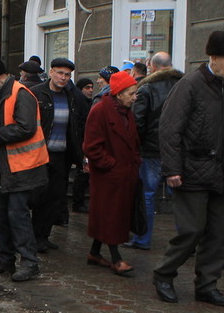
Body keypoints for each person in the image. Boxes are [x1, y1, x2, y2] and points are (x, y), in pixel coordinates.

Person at [153, 30, 224, 307]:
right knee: (192, 231)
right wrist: (172, 169)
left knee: (219, 233)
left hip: (221, 174)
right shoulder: (189, 85)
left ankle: (207, 285)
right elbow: (170, 130)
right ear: (214, 57)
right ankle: (163, 274)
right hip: (191, 171)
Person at [0, 55, 49, 282]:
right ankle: (5, 258)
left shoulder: (20, 93)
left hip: (23, 167)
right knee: (0, 216)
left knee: (17, 215)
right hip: (4, 167)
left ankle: (29, 262)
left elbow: (26, 128)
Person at [83, 71, 141, 276]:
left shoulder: (127, 112)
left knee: (109, 215)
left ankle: (95, 252)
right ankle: (116, 258)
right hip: (108, 176)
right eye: (132, 93)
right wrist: (112, 165)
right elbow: (91, 147)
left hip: (124, 174)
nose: (135, 97)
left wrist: (134, 163)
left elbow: (133, 142)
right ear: (119, 93)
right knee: (110, 216)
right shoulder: (100, 111)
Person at [124, 51, 183, 250]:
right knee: (181, 198)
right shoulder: (185, 86)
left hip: (151, 150)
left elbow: (138, 121)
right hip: (178, 151)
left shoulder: (147, 88)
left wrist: (136, 146)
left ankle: (142, 238)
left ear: (152, 67)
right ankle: (186, 242)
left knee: (147, 195)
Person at [30, 58, 85, 252]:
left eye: (67, 75)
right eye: (60, 73)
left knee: (55, 198)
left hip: (62, 155)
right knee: (39, 197)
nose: (63, 78)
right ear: (51, 72)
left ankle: (44, 236)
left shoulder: (71, 95)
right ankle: (34, 237)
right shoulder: (37, 93)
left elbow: (76, 126)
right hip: (41, 154)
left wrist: (79, 155)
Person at [71, 77, 95, 213]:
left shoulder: (90, 103)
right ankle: (77, 202)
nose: (90, 90)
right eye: (87, 87)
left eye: (91, 87)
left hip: (87, 141)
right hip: (80, 142)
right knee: (81, 174)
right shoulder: (78, 103)